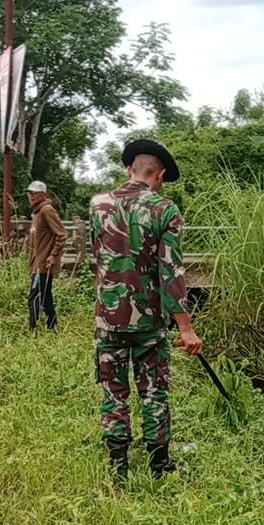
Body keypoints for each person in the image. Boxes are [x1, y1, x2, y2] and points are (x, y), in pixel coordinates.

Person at [90, 138, 202, 480]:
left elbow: (99, 259)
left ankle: (118, 465)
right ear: (161, 175)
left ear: (129, 170)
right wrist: (186, 328)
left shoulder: (98, 204)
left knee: (114, 390)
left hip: (108, 319)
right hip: (149, 323)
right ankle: (158, 464)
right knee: (154, 390)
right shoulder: (165, 210)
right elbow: (172, 272)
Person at [25, 180, 66, 331]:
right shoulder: (36, 212)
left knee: (34, 297)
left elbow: (61, 235)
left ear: (43, 195)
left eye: (34, 193)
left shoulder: (46, 210)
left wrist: (53, 255)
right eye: (29, 193)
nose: (30, 196)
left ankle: (33, 331)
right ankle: (52, 327)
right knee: (45, 297)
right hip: (36, 263)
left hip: (43, 265)